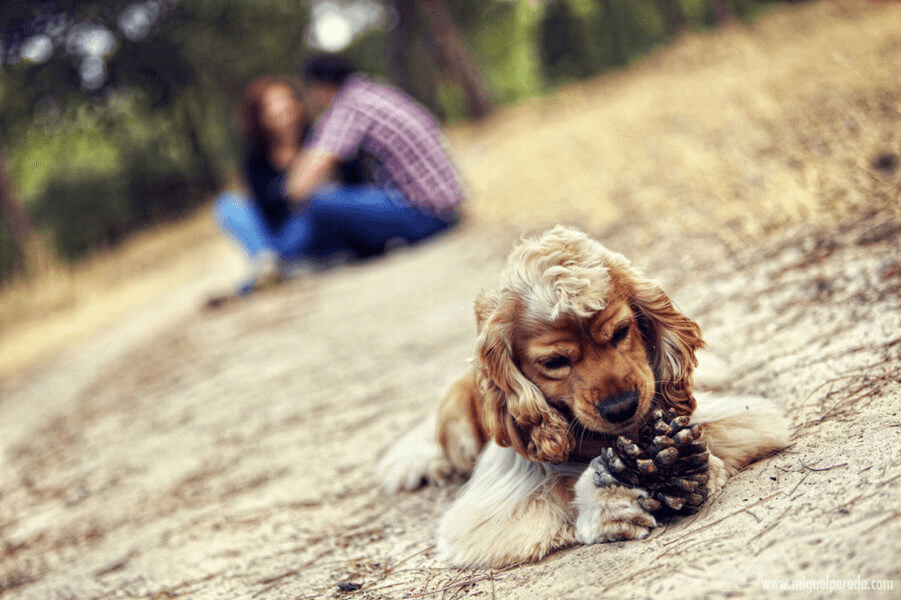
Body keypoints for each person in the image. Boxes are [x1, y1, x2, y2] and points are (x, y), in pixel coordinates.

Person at [281, 54, 463, 264]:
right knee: (337, 207)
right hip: (445, 208)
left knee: (321, 201)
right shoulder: (375, 91)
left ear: (320, 87)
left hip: (429, 216)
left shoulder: (350, 106)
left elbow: (300, 186)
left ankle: (282, 258)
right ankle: (285, 258)